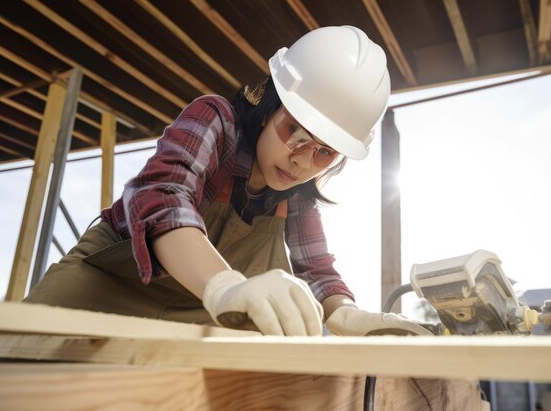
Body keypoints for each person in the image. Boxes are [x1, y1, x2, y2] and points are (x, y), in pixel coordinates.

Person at [25, 25, 432, 337]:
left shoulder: (297, 194)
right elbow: (164, 199)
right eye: (297, 133)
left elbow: (318, 271)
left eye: (325, 153)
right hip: (104, 289)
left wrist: (348, 315)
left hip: (202, 319)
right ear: (271, 104)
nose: (302, 161)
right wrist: (224, 287)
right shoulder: (215, 121)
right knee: (10, 372)